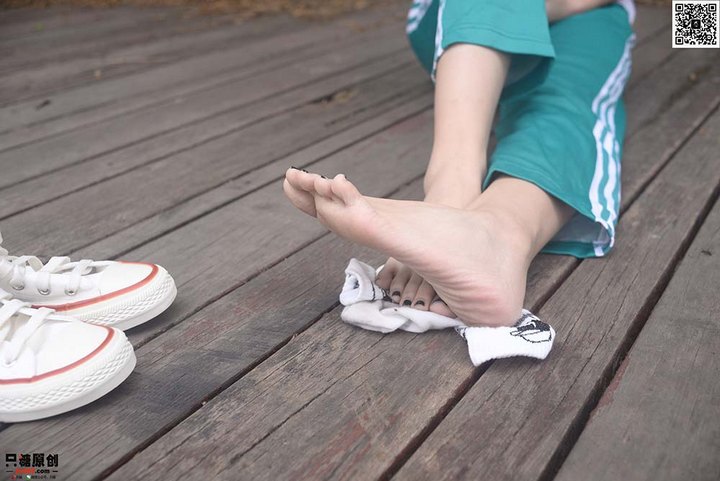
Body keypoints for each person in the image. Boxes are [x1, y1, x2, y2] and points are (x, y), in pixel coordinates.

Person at [283, 0, 635, 327]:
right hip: (460, 19)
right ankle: (451, 189)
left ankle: (497, 236)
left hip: (592, 13)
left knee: (568, 99)